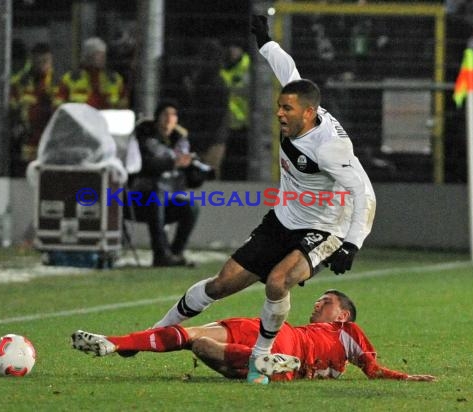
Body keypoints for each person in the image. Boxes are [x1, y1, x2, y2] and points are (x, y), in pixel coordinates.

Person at [145, 15, 377, 385]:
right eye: (280, 106)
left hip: (323, 227)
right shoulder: (303, 108)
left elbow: (363, 192)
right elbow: (289, 70)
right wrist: (267, 42)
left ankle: (260, 359)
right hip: (283, 218)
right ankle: (153, 334)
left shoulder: (330, 148)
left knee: (277, 281)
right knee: (221, 284)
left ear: (307, 112)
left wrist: (351, 244)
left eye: (286, 109)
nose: (279, 112)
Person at [71, 290, 435, 383]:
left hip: (288, 341)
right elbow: (370, 371)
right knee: (198, 343)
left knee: (196, 336)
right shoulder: (336, 340)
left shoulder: (347, 331)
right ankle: (260, 364)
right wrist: (403, 377)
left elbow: (372, 368)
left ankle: (116, 342)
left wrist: (405, 377)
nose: (317, 305)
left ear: (342, 315)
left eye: (325, 303)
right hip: (283, 355)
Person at [126, 101, 200, 267]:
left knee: (191, 206)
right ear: (157, 118)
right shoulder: (144, 137)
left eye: (173, 115)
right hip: (137, 198)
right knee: (156, 194)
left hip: (166, 198)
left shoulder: (179, 141)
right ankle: (161, 254)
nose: (169, 119)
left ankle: (175, 253)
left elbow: (191, 181)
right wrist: (174, 163)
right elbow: (143, 165)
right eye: (165, 114)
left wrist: (195, 169)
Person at [182, 38, 230, 177]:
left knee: (208, 173)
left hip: (211, 137)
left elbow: (215, 116)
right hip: (206, 135)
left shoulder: (214, 83)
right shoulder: (203, 81)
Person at [9, 42, 56, 177]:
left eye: (45, 61)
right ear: (32, 60)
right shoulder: (20, 82)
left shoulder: (57, 82)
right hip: (27, 139)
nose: (42, 64)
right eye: (39, 61)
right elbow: (13, 106)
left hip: (49, 139)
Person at [54, 37, 129, 110]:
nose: (102, 57)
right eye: (98, 54)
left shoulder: (114, 79)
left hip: (106, 120)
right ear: (88, 56)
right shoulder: (71, 78)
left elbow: (123, 102)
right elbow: (58, 103)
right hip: (80, 120)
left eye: (103, 54)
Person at [219, 41, 251, 180]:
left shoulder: (247, 66)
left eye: (235, 46)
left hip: (242, 122)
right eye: (230, 46)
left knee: (239, 155)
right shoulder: (222, 65)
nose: (232, 50)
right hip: (224, 121)